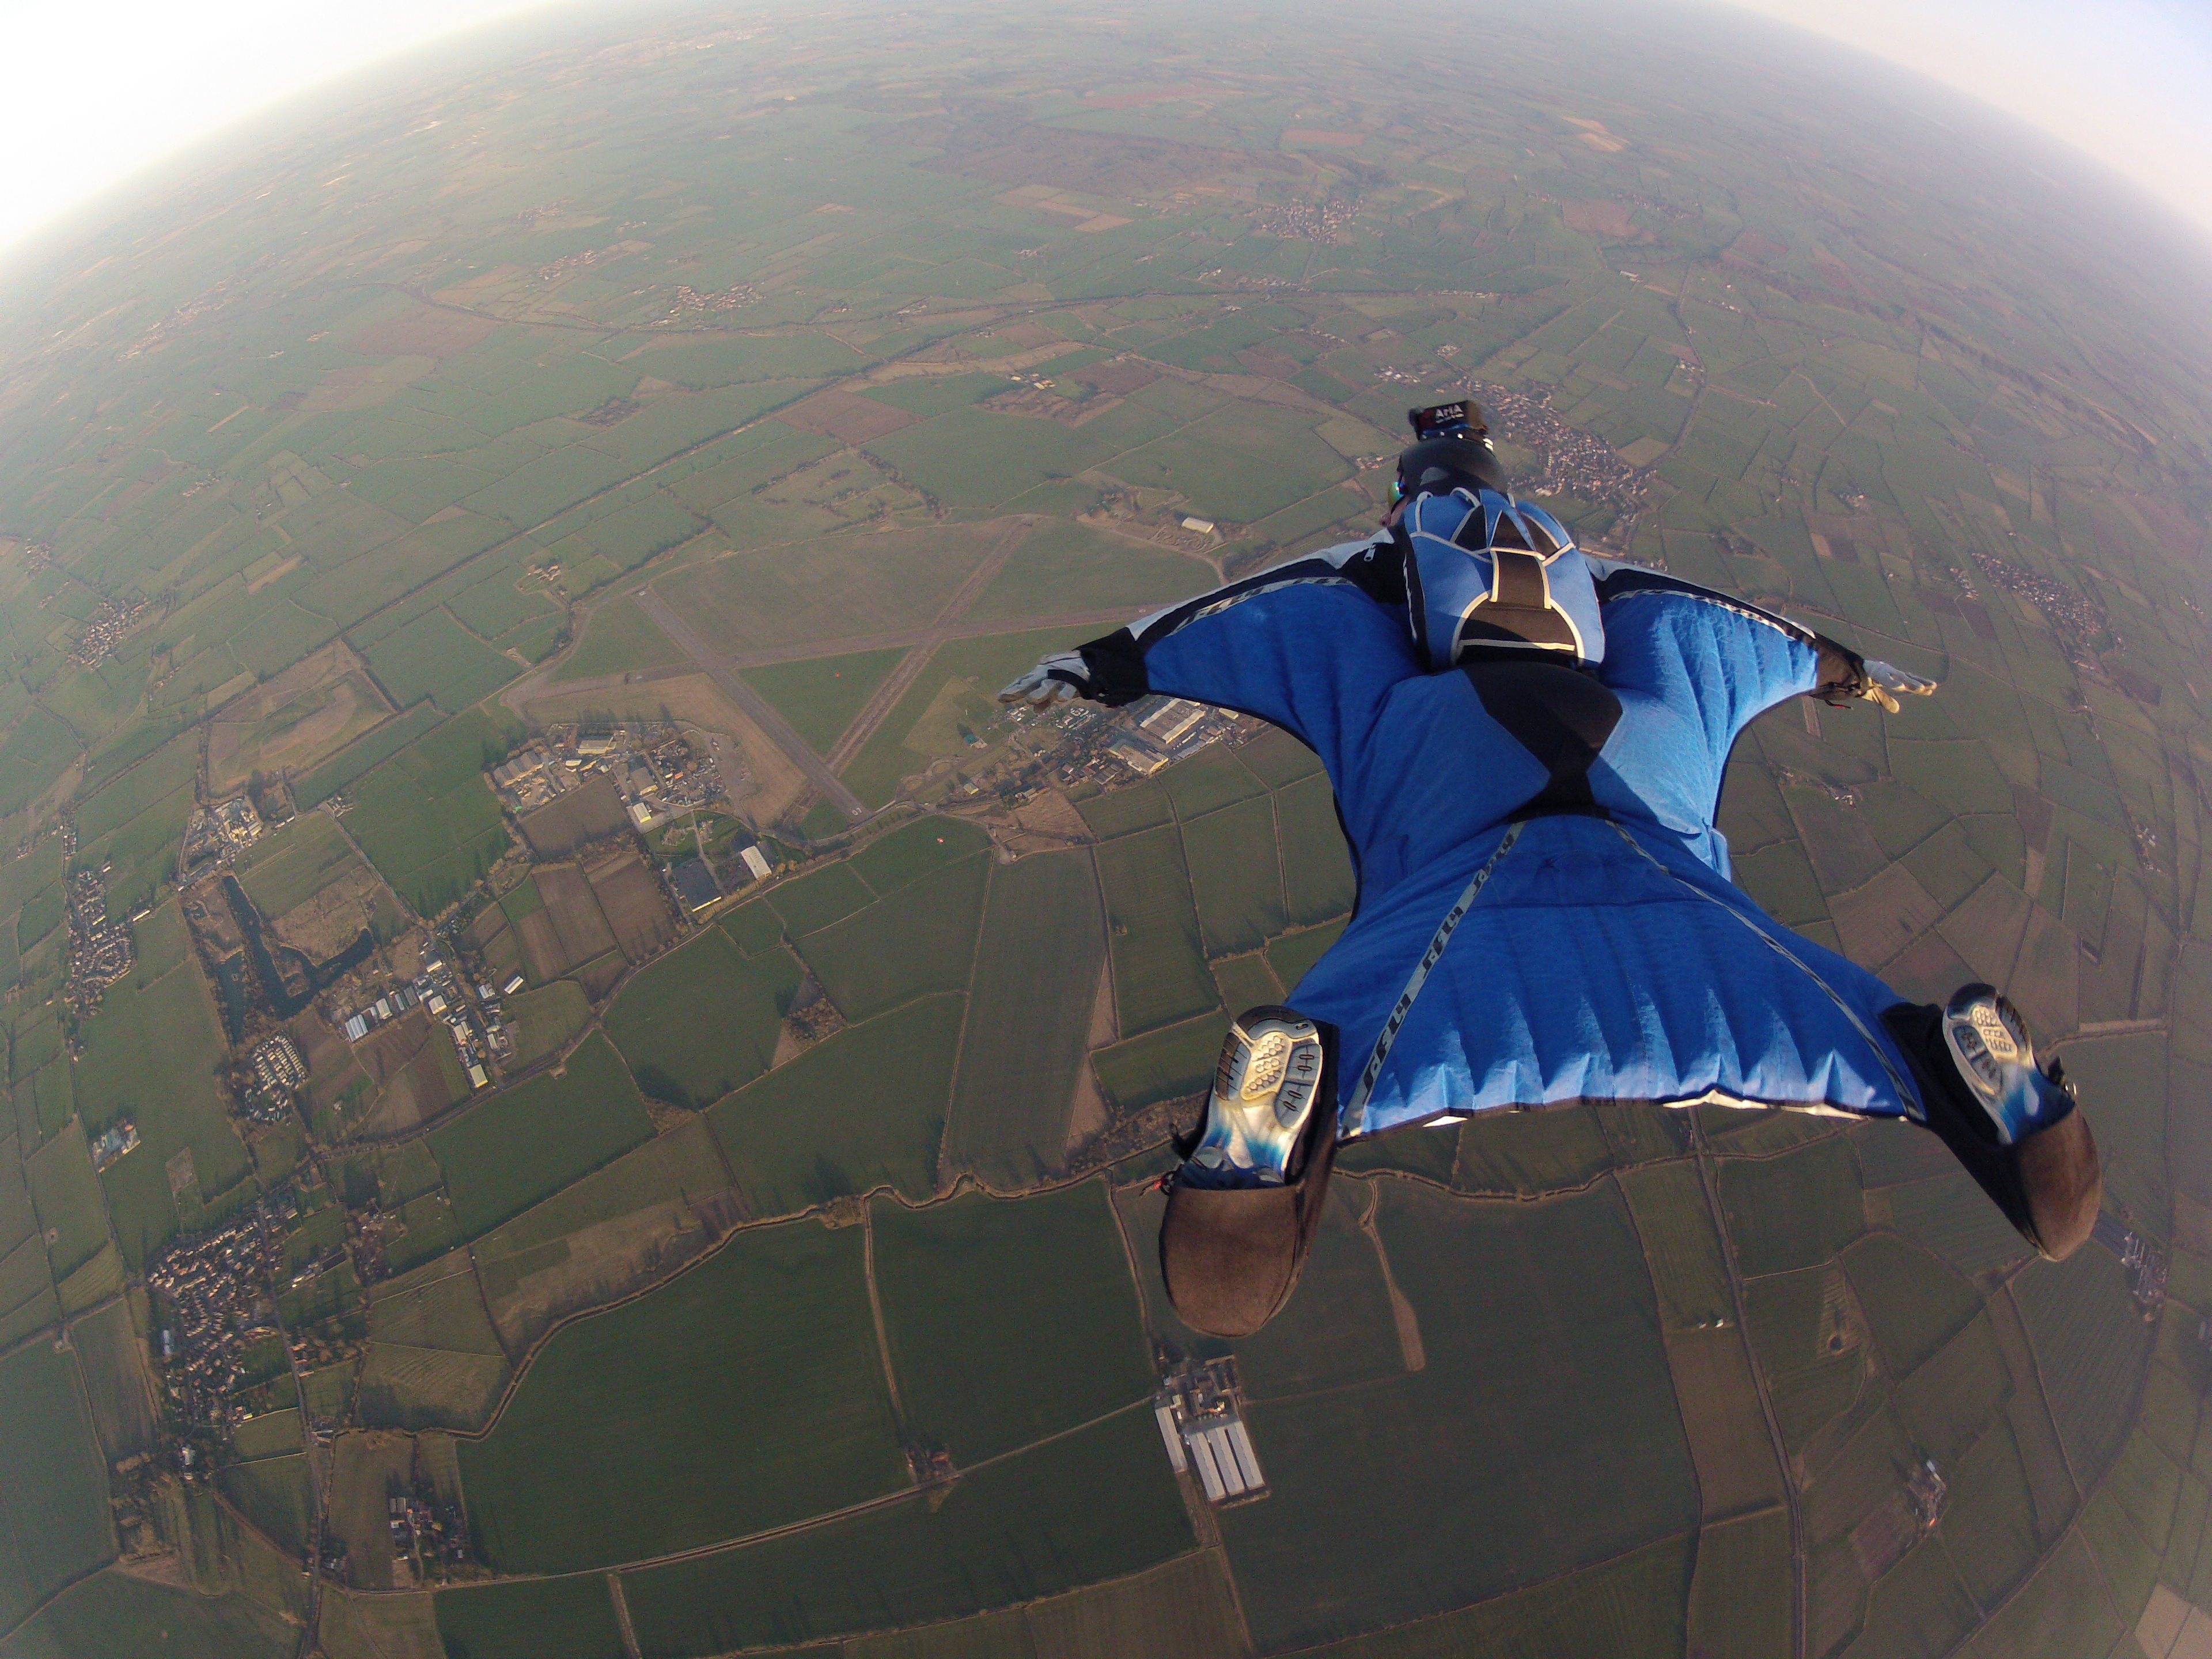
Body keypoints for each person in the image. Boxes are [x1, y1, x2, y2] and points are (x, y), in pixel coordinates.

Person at [1002, 402, 2101, 1339]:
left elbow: (1268, 616)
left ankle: (1271, 1160)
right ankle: (1959, 1083)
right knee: (1831, 1012)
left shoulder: (1377, 564)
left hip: (1460, 795)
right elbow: (1716, 627)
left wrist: (1106, 665)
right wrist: (1842, 672)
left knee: (1381, 972)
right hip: (1640, 772)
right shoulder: (1594, 568)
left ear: (1405, 498)